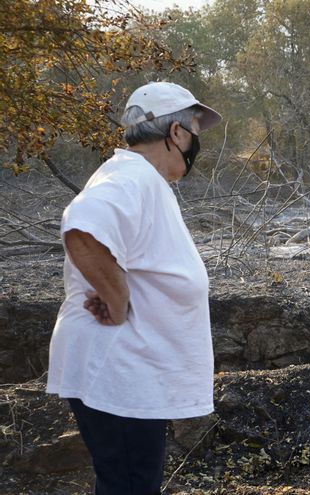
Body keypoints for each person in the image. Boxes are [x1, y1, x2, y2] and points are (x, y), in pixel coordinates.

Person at [46, 81, 222, 494]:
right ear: (176, 133)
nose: (196, 142)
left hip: (131, 371)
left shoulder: (140, 179)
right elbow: (83, 227)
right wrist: (117, 301)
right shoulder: (130, 177)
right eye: (194, 130)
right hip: (119, 368)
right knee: (130, 484)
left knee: (130, 481)